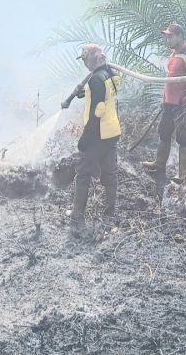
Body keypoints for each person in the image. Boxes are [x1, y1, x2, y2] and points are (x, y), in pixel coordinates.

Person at [62, 43, 121, 240]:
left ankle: (77, 218)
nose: (84, 63)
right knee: (110, 173)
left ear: (93, 59)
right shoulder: (110, 74)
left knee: (83, 173)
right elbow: (104, 94)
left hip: (98, 133)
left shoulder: (96, 79)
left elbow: (97, 112)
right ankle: (109, 216)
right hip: (112, 131)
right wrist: (86, 92)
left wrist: (85, 138)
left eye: (86, 59)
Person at [142, 22, 186, 184]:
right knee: (164, 132)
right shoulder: (173, 54)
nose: (169, 39)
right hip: (169, 102)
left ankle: (182, 174)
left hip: (182, 104)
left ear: (180, 36)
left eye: (171, 36)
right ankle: (159, 164)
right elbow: (169, 80)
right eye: (167, 36)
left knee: (183, 136)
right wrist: (164, 99)